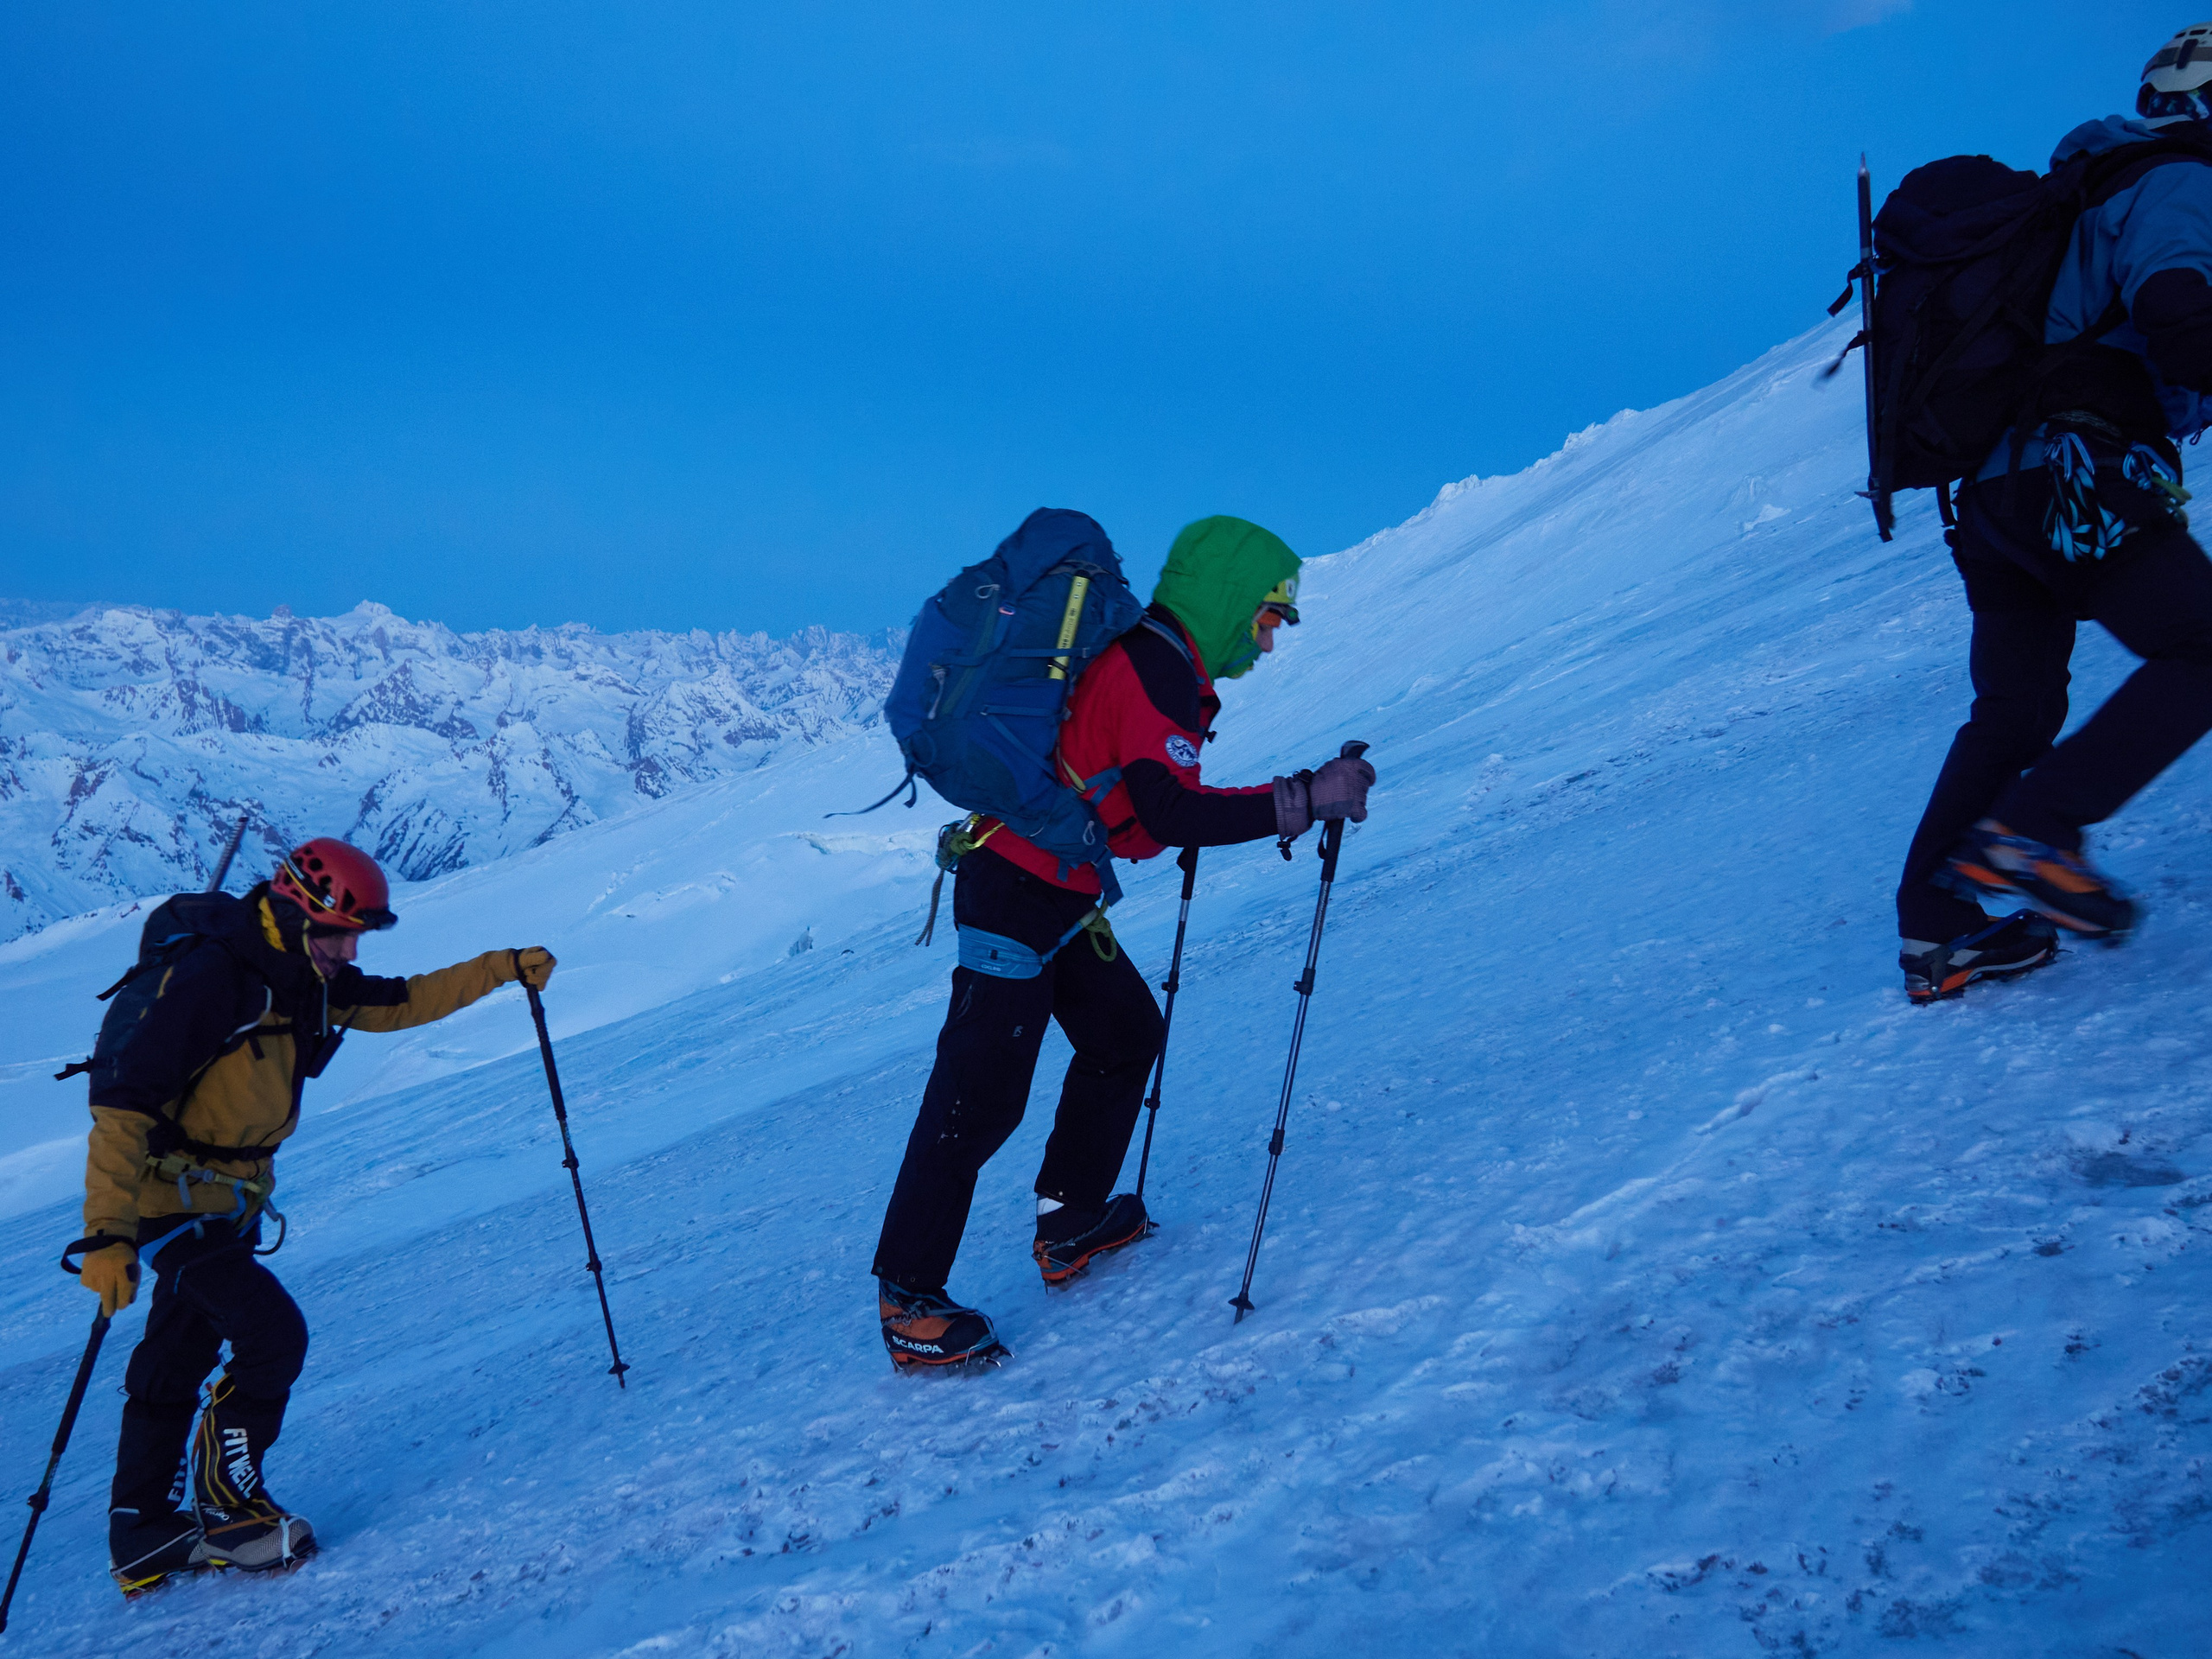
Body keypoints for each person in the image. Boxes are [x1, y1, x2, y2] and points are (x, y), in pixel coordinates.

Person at [870, 515, 1376, 1368]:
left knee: (1125, 1034)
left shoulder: (1159, 663)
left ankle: (1069, 1219)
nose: (1267, 644)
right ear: (1225, 602)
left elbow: (1143, 799)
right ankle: (907, 1296)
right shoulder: (1154, 669)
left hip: (1056, 891)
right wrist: (1303, 798)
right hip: (1014, 892)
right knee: (977, 1097)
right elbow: (1172, 812)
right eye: (1264, 619)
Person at [72, 837, 556, 1592]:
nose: (347, 948)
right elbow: (122, 1103)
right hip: (169, 1202)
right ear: (296, 911)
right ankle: (231, 1515)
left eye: (356, 934)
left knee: (178, 1355)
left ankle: (141, 1535)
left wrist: (502, 967)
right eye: (339, 932)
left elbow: (401, 1002)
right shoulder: (213, 980)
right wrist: (106, 1234)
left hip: (229, 1200)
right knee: (272, 1336)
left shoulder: (302, 977)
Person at [1897, 22, 2212, 1002]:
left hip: (1993, 496)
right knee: (2203, 647)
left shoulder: (2081, 187)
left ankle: (1936, 935)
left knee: (2015, 707)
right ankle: (2037, 832)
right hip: (2077, 474)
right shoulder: (2177, 179)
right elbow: (2178, 313)